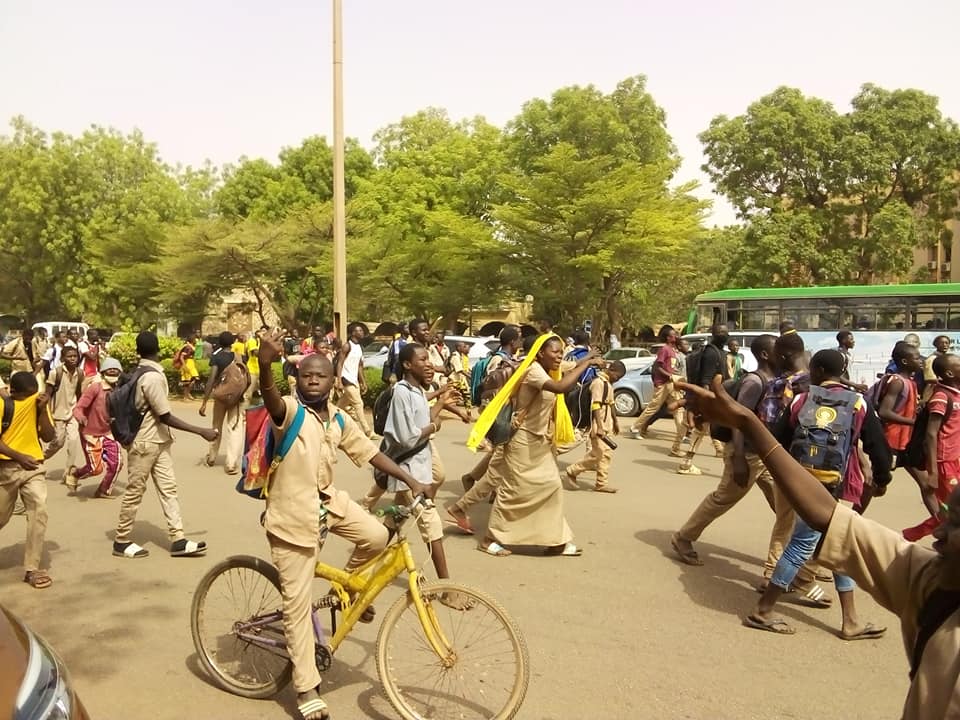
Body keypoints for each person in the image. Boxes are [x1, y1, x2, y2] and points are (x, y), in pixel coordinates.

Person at [681, 374, 960, 720]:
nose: (938, 535)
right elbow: (832, 512)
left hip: (820, 485)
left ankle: (839, 616)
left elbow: (828, 514)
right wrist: (747, 424)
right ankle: (771, 607)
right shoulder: (931, 580)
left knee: (834, 548)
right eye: (947, 519)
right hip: (838, 488)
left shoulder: (805, 400)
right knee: (817, 543)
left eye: (956, 525)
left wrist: (750, 428)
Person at [256, 330, 433, 720]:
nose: (314, 380)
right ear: (297, 381)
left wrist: (410, 480)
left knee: (377, 535)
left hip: (327, 503)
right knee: (297, 606)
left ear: (333, 381)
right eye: (306, 376)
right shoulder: (288, 410)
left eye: (321, 375)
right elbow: (269, 399)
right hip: (290, 517)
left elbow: (372, 453)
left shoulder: (337, 418)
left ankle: (344, 591)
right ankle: (306, 688)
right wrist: (264, 363)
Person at [745, 349, 891, 639]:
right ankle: (763, 610)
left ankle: (850, 620)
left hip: (803, 484)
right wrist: (882, 478)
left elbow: (777, 440)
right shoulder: (858, 403)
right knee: (804, 543)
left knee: (839, 543)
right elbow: (878, 446)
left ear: (819, 370)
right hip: (837, 485)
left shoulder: (801, 400)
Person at [671, 336, 797, 572]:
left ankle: (791, 560)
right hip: (746, 454)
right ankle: (683, 537)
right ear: (765, 355)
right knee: (723, 498)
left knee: (785, 506)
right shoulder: (755, 382)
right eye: (778, 352)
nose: (783, 356)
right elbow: (737, 420)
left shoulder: (777, 380)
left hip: (765, 455)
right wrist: (738, 458)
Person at [471, 334, 602, 557]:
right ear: (541, 353)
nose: (560, 355)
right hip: (521, 440)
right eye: (555, 351)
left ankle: (554, 541)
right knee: (514, 491)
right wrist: (587, 364)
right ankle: (490, 538)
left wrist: (587, 356)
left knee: (552, 487)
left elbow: (569, 367)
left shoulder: (549, 367)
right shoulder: (534, 371)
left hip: (539, 440)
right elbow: (560, 387)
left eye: (561, 351)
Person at [113, 332, 218, 559]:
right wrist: (201, 431)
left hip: (155, 440)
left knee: (168, 488)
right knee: (135, 491)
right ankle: (121, 540)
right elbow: (165, 416)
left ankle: (178, 538)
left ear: (137, 351)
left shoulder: (139, 372)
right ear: (158, 349)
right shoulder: (152, 378)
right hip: (146, 441)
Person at [364, 343, 461, 579]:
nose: (429, 364)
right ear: (407, 365)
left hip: (419, 466)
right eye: (423, 360)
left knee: (395, 517)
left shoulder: (417, 391)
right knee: (431, 523)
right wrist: (434, 426)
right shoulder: (401, 392)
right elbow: (408, 438)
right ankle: (446, 587)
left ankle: (361, 567)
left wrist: (439, 403)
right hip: (409, 469)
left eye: (429, 359)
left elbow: (423, 420)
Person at [0, 372, 56, 588]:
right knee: (2, 517)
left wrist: (42, 410)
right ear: (13, 392)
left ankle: (32, 568)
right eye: (27, 395)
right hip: (7, 468)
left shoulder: (39, 402)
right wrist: (19, 457)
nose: (33, 398)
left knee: (39, 510)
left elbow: (49, 436)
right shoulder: (4, 405)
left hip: (34, 467)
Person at [904, 353, 960, 542]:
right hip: (943, 463)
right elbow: (931, 434)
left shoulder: (955, 393)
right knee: (952, 510)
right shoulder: (942, 397)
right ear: (949, 374)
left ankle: (912, 537)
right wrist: (934, 472)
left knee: (951, 510)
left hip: (955, 460)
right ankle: (910, 536)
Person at [565, 360, 625, 493]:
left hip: (607, 423)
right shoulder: (598, 383)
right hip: (599, 424)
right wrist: (599, 426)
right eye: (617, 376)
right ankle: (581, 474)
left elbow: (611, 403)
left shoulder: (608, 384)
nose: (617, 379)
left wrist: (615, 421)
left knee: (601, 455)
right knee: (601, 454)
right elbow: (595, 405)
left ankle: (591, 479)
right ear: (612, 370)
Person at [677, 324, 730, 475]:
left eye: (725, 332)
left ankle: (687, 462)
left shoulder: (720, 352)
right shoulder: (711, 353)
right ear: (713, 334)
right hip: (711, 398)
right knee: (702, 430)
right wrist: (706, 403)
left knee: (706, 430)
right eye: (720, 332)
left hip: (718, 397)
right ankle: (687, 463)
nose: (723, 334)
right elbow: (705, 380)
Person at [71, 358, 124, 498]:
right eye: (109, 369)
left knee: (117, 464)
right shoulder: (95, 387)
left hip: (109, 433)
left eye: (116, 369)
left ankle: (103, 490)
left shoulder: (120, 390)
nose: (112, 371)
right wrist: (80, 417)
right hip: (90, 433)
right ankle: (75, 473)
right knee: (95, 468)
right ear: (103, 371)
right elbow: (79, 408)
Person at [626, 327, 683, 451]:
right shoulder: (664, 349)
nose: (676, 336)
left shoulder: (673, 350)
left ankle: (681, 433)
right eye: (673, 335)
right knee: (653, 407)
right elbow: (657, 367)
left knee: (678, 408)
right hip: (663, 384)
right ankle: (635, 427)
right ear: (668, 337)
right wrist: (670, 376)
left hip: (671, 384)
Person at [200, 331, 245, 475]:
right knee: (235, 428)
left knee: (216, 426)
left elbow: (211, 380)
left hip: (220, 397)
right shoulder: (239, 357)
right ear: (232, 342)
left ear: (219, 342)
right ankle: (231, 463)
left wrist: (204, 402)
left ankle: (212, 457)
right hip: (236, 399)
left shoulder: (216, 358)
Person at [44, 346, 83, 489]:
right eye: (69, 356)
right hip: (58, 413)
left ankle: (69, 473)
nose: (73, 358)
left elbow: (79, 393)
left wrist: (81, 411)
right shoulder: (56, 373)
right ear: (63, 358)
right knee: (58, 442)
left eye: (75, 356)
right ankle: (41, 457)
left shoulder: (80, 373)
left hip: (73, 411)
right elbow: (48, 393)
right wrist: (45, 412)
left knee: (73, 441)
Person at [335, 322, 373, 438]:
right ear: (353, 333)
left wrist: (363, 382)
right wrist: (339, 381)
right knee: (358, 403)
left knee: (340, 406)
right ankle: (367, 431)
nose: (362, 332)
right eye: (359, 331)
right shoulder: (347, 346)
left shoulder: (359, 347)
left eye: (362, 331)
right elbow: (340, 363)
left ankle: (329, 423)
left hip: (354, 379)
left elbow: (360, 367)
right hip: (346, 379)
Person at [922, 335, 951, 403]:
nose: (944, 345)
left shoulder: (947, 358)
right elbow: (929, 378)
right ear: (936, 345)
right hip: (932, 391)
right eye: (942, 343)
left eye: (947, 343)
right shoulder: (932, 359)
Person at [178, 336, 201, 401]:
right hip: (187, 364)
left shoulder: (192, 346)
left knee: (194, 379)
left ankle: (188, 393)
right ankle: (185, 397)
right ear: (192, 339)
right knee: (187, 381)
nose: (196, 340)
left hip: (191, 364)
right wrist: (184, 366)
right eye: (195, 339)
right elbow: (181, 357)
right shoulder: (187, 347)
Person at [244, 328, 263, 405]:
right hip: (252, 370)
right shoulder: (252, 341)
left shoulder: (259, 341)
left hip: (259, 370)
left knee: (259, 394)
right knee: (249, 393)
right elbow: (256, 353)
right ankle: (243, 413)